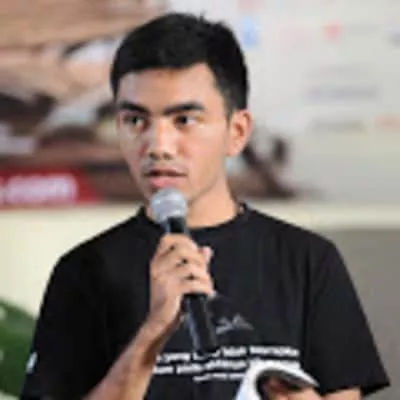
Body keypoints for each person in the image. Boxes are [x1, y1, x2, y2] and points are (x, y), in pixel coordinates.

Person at [21, 13, 389, 400]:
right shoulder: (84, 271)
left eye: (184, 120)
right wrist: (152, 333)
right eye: (136, 121)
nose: (159, 146)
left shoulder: (308, 261)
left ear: (237, 132)